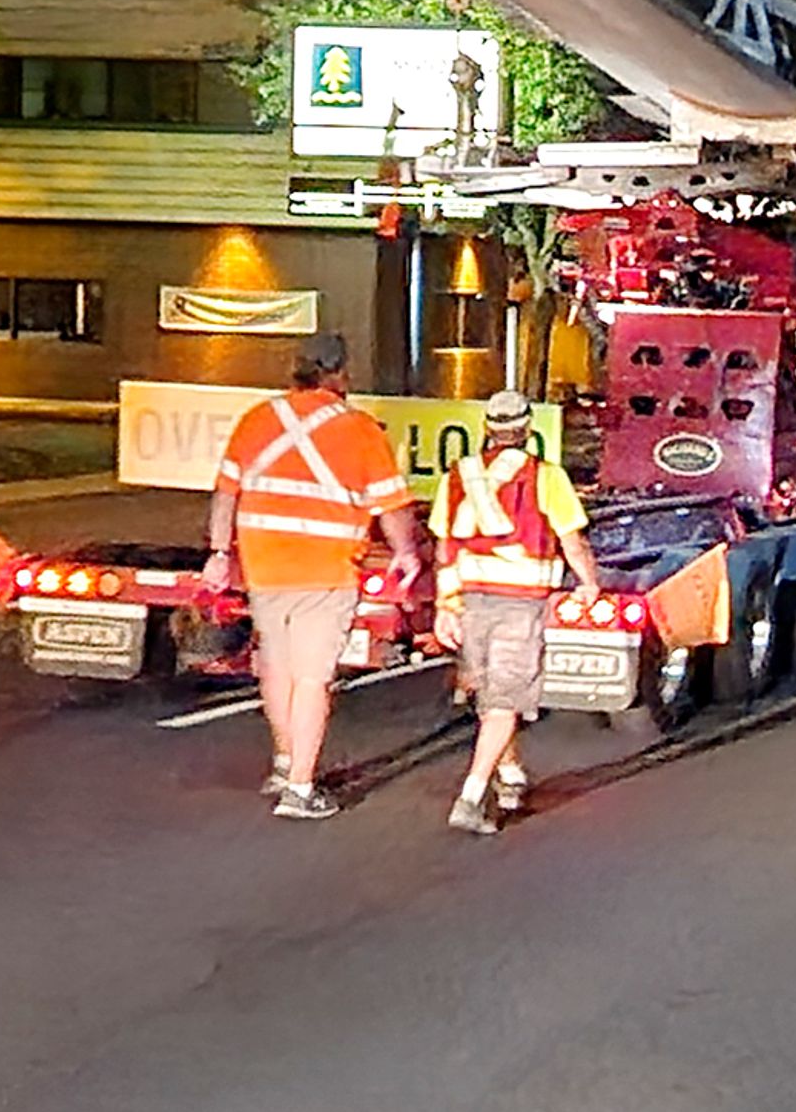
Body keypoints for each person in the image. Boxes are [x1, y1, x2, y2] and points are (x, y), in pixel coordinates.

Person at [205, 332, 422, 820]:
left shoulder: (259, 419)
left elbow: (225, 494)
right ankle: (301, 789)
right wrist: (405, 553)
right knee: (312, 677)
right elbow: (392, 506)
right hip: (323, 569)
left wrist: (220, 553)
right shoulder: (360, 430)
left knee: (276, 667)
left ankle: (284, 763)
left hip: (263, 564)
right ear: (339, 373)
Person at [428, 388, 601, 834]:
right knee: (505, 700)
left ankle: (510, 773)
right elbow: (572, 540)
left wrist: (445, 605)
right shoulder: (545, 476)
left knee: (489, 696)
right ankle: (471, 795)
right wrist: (588, 583)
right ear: (527, 430)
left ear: (487, 429)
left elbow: (444, 544)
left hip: (469, 601)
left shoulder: (456, 475)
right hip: (518, 602)